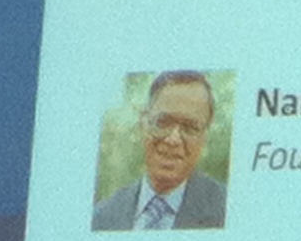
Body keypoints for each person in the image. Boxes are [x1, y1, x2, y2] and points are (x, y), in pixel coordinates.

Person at [92, 71, 227, 231]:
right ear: (143, 124)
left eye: (190, 127)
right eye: (163, 122)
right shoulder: (102, 217)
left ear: (204, 137)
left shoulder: (227, 210)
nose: (173, 139)